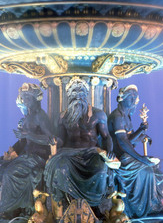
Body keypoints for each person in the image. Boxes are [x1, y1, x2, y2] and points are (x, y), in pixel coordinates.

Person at [44, 77, 117, 208]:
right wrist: (54, 140)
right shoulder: (63, 117)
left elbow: (106, 137)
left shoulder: (98, 114)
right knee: (60, 168)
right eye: (74, 92)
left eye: (81, 92)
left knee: (101, 170)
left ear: (86, 94)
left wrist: (110, 150)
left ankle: (95, 207)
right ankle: (67, 205)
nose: (78, 96)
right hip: (69, 154)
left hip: (92, 152)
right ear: (69, 96)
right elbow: (61, 139)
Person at [0, 83, 55, 219]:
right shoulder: (28, 117)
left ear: (36, 99)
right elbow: (24, 141)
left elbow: (50, 139)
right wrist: (13, 151)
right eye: (23, 98)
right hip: (26, 157)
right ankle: (15, 208)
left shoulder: (40, 116)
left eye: (27, 98)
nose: (24, 101)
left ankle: (5, 210)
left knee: (9, 174)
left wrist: (27, 135)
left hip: (37, 157)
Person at [108, 85, 163, 219]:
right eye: (131, 97)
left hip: (127, 155)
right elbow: (122, 142)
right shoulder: (117, 116)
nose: (133, 100)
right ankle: (142, 210)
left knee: (157, 171)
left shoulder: (126, 116)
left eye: (135, 97)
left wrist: (141, 131)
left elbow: (129, 140)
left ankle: (155, 205)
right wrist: (141, 158)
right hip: (121, 157)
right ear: (121, 99)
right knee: (147, 171)